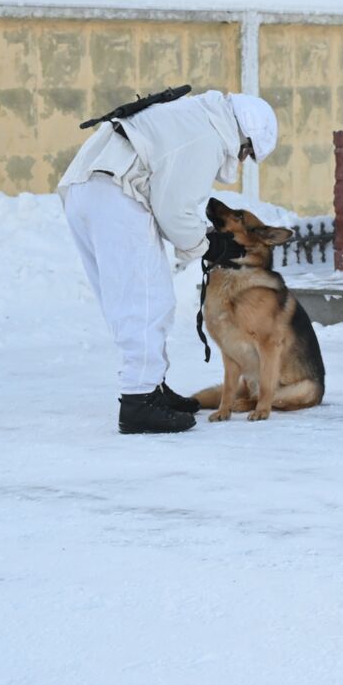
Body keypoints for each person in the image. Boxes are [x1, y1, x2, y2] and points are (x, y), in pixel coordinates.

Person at [58, 90, 279, 434]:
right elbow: (174, 211)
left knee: (128, 298)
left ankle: (151, 387)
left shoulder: (194, 117)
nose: (242, 158)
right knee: (147, 301)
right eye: (247, 150)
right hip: (114, 194)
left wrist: (202, 239)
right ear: (244, 133)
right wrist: (207, 246)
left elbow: (170, 198)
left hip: (87, 188)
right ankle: (139, 401)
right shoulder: (209, 136)